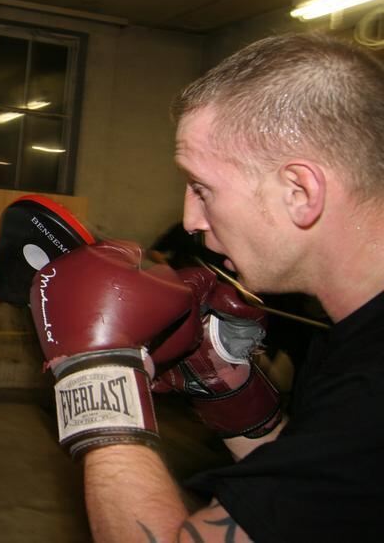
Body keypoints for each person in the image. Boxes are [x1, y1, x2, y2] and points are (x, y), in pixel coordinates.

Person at [36, 32, 384, 542]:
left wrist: (96, 373)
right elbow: (324, 503)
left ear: (299, 191)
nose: (190, 218)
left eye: (202, 188)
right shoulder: (353, 348)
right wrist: (233, 394)